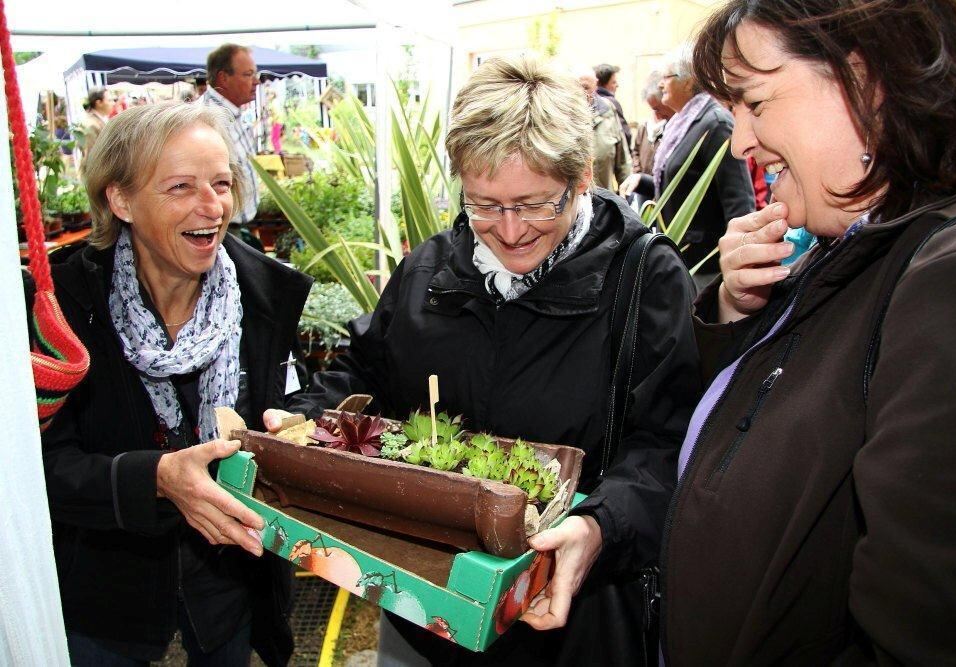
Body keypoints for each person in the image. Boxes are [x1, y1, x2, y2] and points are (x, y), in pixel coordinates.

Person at [542, 0, 956, 663]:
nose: (740, 141)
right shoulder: (858, 240)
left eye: (755, 102)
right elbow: (771, 429)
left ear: (864, 84)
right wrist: (734, 306)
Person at [265, 55, 701, 666]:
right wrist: (305, 419)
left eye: (534, 204)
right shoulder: (431, 268)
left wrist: (601, 525)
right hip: (424, 607)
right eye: (484, 205)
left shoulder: (644, 280)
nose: (510, 230)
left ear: (580, 181)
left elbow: (667, 443)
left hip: (570, 620)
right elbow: (364, 371)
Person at [40, 101, 310, 665]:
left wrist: (294, 421)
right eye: (181, 187)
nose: (211, 207)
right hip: (109, 599)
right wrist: (155, 479)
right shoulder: (62, 306)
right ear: (121, 200)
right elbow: (40, 465)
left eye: (221, 183)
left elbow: (293, 394)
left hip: (230, 583)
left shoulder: (265, 296)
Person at [630, 47, 755, 279]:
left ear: (688, 82)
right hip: (679, 257)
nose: (660, 85)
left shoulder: (715, 124)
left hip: (705, 265)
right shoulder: (681, 124)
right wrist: (643, 181)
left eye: (666, 77)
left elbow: (738, 200)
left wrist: (739, 264)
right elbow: (681, 184)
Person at [202, 44, 260, 226]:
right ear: (224, 78)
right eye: (248, 74)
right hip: (223, 229)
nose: (256, 81)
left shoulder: (231, 113)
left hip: (236, 225)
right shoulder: (208, 119)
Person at [619, 73, 673, 208]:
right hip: (645, 184)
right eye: (653, 109)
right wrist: (638, 173)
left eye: (658, 108)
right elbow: (635, 149)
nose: (657, 114)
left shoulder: (673, 128)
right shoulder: (644, 126)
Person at [578, 67, 631, 190]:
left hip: (604, 200)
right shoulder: (560, 116)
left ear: (595, 86)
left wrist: (627, 194)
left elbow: (623, 161)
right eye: (575, 88)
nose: (580, 93)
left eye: (585, 88)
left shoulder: (608, 111)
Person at [594, 62, 632, 150]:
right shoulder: (611, 103)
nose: (617, 85)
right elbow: (626, 134)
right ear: (604, 83)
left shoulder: (591, 100)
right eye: (614, 82)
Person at [78, 88, 113, 176]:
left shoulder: (100, 120)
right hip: (96, 175)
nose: (112, 103)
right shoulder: (91, 125)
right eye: (109, 100)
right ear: (99, 103)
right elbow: (91, 155)